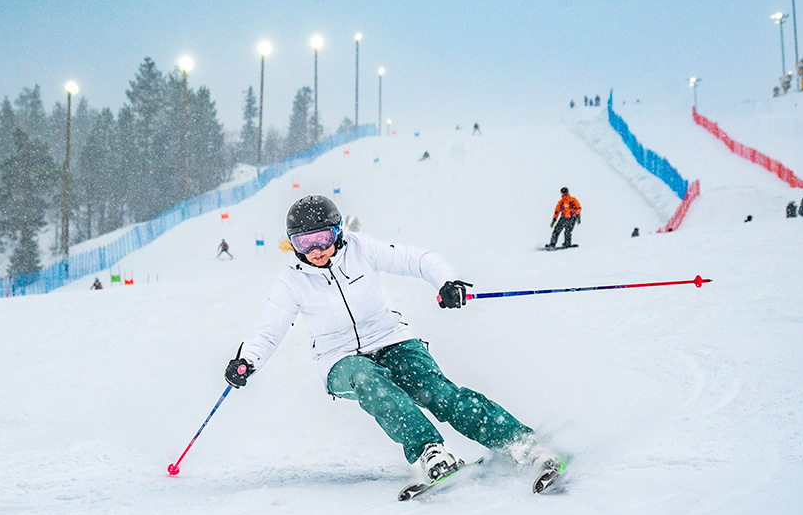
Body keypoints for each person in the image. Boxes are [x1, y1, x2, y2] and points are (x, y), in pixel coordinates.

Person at [223, 195, 561, 483]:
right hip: (339, 360)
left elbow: (419, 260)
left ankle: (522, 444)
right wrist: (247, 361)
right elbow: (270, 329)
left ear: (338, 232)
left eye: (323, 238)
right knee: (369, 380)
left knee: (438, 393)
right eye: (304, 243)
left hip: (392, 339)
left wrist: (446, 281)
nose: (315, 250)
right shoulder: (291, 280)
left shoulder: (361, 249)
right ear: (292, 243)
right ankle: (430, 451)